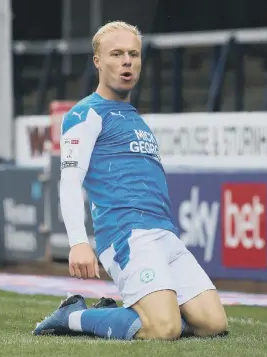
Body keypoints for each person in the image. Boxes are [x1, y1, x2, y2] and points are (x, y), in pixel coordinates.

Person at [33, 20, 228, 340]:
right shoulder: (86, 114)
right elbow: (68, 180)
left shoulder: (135, 118)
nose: (127, 61)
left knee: (212, 324)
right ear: (98, 61)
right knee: (164, 329)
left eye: (134, 54)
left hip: (165, 235)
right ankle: (75, 315)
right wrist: (78, 242)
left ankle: (136, 311)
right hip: (126, 235)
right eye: (117, 54)